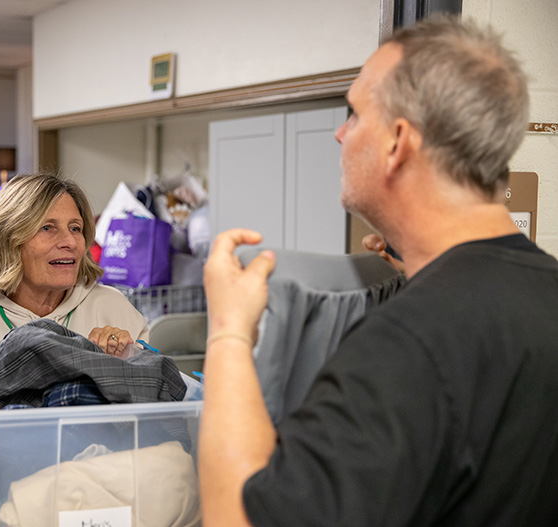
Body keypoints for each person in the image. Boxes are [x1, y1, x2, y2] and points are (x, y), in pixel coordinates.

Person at [199, 15, 558, 526]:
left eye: (355, 114)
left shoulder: (406, 345)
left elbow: (240, 518)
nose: (340, 134)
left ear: (398, 142)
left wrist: (230, 334)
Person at [0, 173, 150, 527]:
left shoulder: (115, 310)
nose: (70, 242)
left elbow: (156, 430)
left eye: (76, 228)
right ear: (9, 239)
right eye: (48, 228)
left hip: (93, 515)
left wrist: (129, 364)